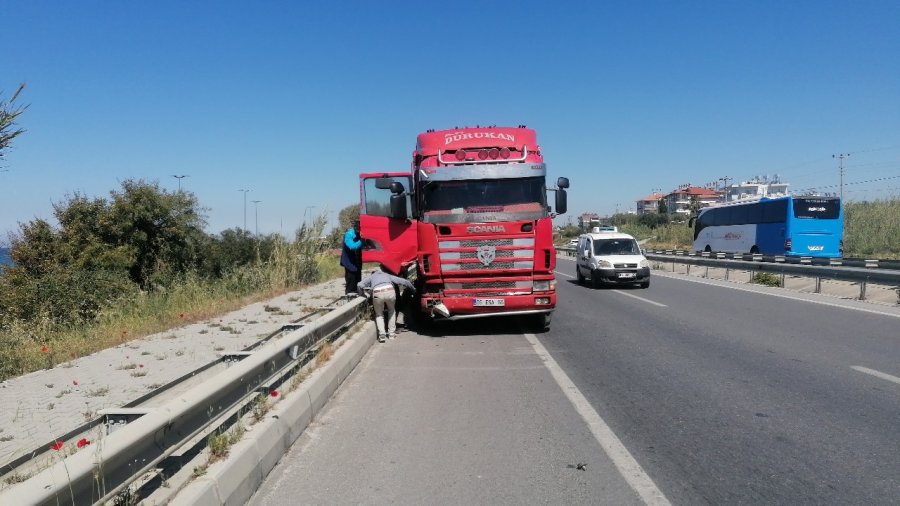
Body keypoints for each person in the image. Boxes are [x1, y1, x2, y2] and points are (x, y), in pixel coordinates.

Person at [357, 265, 415, 343]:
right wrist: (413, 290)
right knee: (392, 311)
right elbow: (405, 282)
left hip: (377, 293)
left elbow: (359, 285)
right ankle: (391, 334)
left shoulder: (371, 277)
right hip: (390, 291)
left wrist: (362, 295)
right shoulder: (387, 275)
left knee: (379, 315)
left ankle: (382, 335)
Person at [340, 220, 362, 294]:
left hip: (357, 260)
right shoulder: (349, 234)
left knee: (358, 280)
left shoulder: (360, 233)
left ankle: (358, 295)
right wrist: (362, 241)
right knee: (351, 280)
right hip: (349, 261)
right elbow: (352, 246)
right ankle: (349, 295)